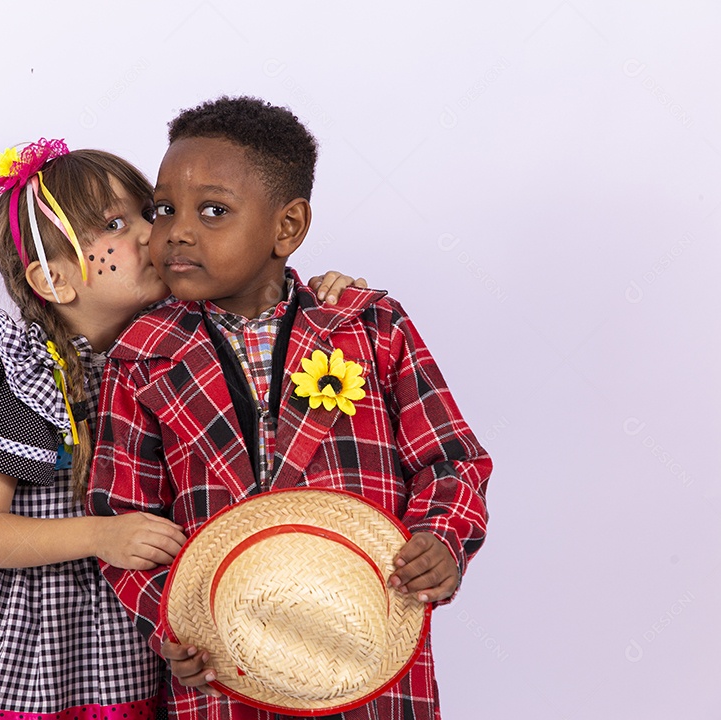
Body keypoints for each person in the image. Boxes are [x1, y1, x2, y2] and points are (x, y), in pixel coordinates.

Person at [0, 137, 367, 720]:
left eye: (149, 212)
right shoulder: (23, 376)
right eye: (115, 223)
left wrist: (316, 296)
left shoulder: (178, 348)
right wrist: (100, 537)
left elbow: (259, 314)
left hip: (153, 647)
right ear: (54, 280)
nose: (148, 234)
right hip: (48, 661)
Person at [88, 97, 492, 720]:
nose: (178, 232)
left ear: (288, 227)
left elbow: (451, 459)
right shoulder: (140, 357)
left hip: (366, 652)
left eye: (213, 211)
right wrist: (172, 621)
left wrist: (442, 538)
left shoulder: (368, 325)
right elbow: (124, 517)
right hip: (224, 669)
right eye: (164, 209)